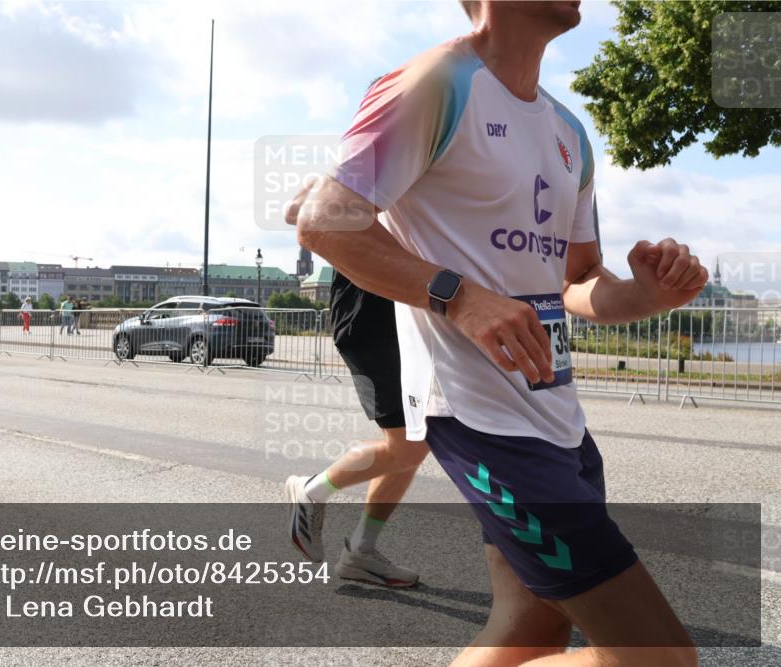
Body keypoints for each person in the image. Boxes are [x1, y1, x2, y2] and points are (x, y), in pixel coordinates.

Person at [295, 2, 705, 665]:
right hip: (483, 421)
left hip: (559, 422)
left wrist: (646, 294)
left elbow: (575, 281)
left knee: (528, 632)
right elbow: (323, 222)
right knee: (659, 658)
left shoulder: (569, 130)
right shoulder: (435, 82)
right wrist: (458, 298)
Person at [283, 176, 428, 588]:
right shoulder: (380, 154)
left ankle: (362, 551)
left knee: (418, 441)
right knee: (409, 443)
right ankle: (311, 490)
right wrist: (375, 214)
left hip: (414, 311)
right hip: (373, 313)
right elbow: (296, 211)